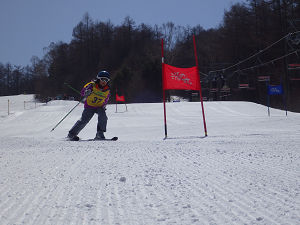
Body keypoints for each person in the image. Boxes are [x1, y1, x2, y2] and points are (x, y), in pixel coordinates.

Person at [67, 70, 111, 141]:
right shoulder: (92, 85)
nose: (104, 81)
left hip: (99, 106)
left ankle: (100, 133)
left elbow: (106, 99)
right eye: (102, 79)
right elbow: (83, 92)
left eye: (106, 80)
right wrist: (86, 92)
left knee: (103, 116)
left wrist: (104, 105)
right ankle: (72, 134)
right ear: (98, 79)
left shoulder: (107, 90)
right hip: (89, 106)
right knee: (84, 120)